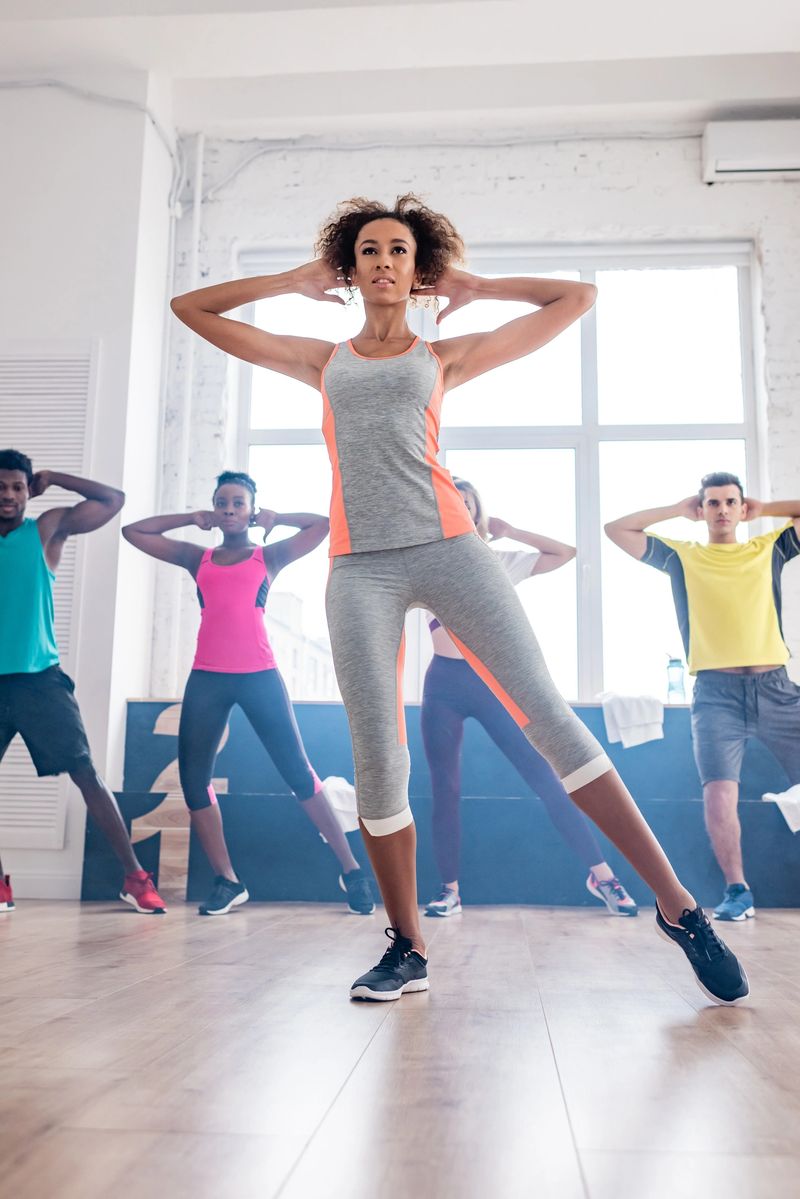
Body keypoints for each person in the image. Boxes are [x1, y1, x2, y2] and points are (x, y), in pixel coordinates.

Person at [170, 194, 748, 1005]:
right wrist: (292, 278)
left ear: (417, 268)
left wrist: (477, 286)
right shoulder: (320, 359)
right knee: (378, 755)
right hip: (359, 565)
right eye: (367, 249)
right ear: (350, 266)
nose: (382, 260)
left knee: (549, 716)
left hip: (451, 549)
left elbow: (577, 299)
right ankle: (407, 945)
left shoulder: (443, 358)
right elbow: (187, 307)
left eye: (398, 250)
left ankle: (681, 907)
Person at [122, 470, 375, 916]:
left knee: (298, 772)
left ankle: (352, 871)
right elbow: (133, 531)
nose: (230, 510)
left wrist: (276, 517)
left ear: (251, 509)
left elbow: (320, 524)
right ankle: (228, 880)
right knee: (193, 780)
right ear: (214, 510)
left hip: (260, 675)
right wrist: (190, 517)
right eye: (222, 503)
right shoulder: (195, 557)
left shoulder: (269, 556)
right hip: (208, 678)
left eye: (239, 503)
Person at [422, 477, 637, 918]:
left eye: (468, 505)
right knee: (444, 789)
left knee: (546, 777)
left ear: (479, 513)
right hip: (443, 683)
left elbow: (565, 553)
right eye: (452, 503)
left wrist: (510, 530)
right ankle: (449, 890)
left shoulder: (500, 560)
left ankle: (602, 876)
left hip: (492, 682)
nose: (461, 510)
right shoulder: (426, 559)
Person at [605, 471, 800, 921]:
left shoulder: (766, 548)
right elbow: (617, 529)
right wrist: (675, 511)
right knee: (718, 795)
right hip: (716, 696)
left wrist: (765, 509)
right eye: (713, 503)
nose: (723, 511)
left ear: (741, 507)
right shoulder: (683, 556)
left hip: (777, 689)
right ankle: (738, 891)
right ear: (702, 509)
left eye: (731, 502)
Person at [0, 449, 166, 914]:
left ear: (27, 490)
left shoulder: (45, 530)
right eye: (1, 487)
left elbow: (112, 500)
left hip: (39, 680)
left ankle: (134, 877)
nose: (9, 495)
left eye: (17, 486)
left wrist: (54, 476)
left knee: (86, 774)